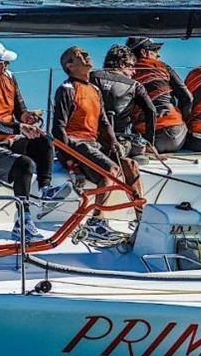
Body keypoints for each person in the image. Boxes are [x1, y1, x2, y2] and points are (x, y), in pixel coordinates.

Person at [0, 40, 71, 242]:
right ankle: (23, 222)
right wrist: (20, 127)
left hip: (8, 139)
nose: (7, 66)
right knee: (24, 164)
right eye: (4, 63)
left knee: (44, 140)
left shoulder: (9, 77)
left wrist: (27, 118)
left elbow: (19, 110)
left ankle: (46, 192)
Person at [52, 46, 144, 239]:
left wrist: (114, 145)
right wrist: (69, 162)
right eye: (79, 55)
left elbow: (103, 123)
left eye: (86, 52)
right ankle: (97, 220)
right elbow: (58, 128)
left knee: (130, 165)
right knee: (109, 170)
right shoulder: (66, 90)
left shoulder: (94, 89)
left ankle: (142, 220)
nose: (87, 55)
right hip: (77, 144)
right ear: (69, 66)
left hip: (94, 144)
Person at [89, 44, 157, 165]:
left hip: (91, 140)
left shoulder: (90, 77)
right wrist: (149, 143)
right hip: (118, 140)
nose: (134, 71)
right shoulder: (135, 85)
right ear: (121, 64)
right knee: (136, 145)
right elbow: (151, 111)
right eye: (131, 66)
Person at [126, 37, 193, 153]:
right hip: (176, 137)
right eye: (155, 50)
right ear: (143, 52)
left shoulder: (128, 73)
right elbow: (187, 98)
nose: (159, 55)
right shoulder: (162, 66)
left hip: (146, 141)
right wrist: (184, 119)